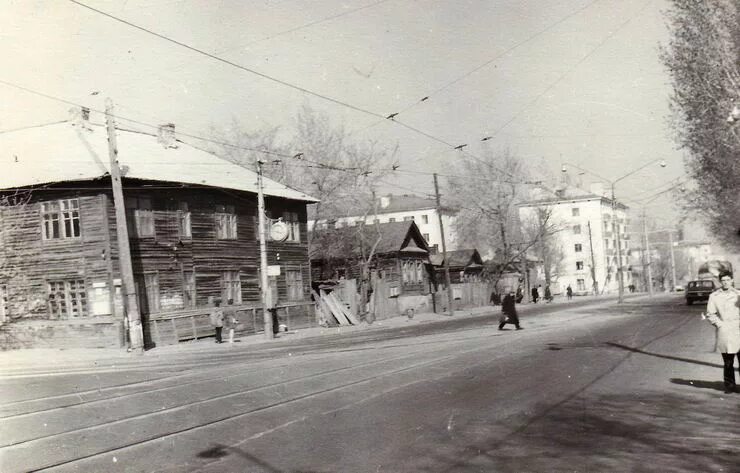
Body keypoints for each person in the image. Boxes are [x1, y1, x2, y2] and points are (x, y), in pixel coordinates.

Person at [704, 270, 740, 394]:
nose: (725, 282)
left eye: (728, 280)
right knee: (728, 360)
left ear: (732, 281)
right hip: (725, 330)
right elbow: (710, 314)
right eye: (723, 280)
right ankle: (730, 385)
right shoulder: (714, 296)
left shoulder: (738, 294)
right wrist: (720, 325)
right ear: (720, 282)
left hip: (739, 328)